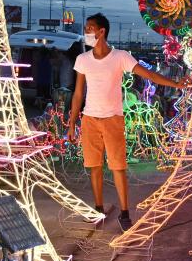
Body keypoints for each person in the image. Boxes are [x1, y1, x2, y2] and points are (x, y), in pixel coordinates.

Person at [68, 13, 185, 230]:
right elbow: (77, 93)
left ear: (101, 32)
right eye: (86, 29)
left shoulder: (120, 56)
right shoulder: (83, 59)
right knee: (94, 166)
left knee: (117, 166)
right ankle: (99, 208)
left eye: (90, 28)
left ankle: (124, 212)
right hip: (90, 119)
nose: (86, 32)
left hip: (113, 118)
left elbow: (147, 75)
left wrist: (176, 84)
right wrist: (72, 121)